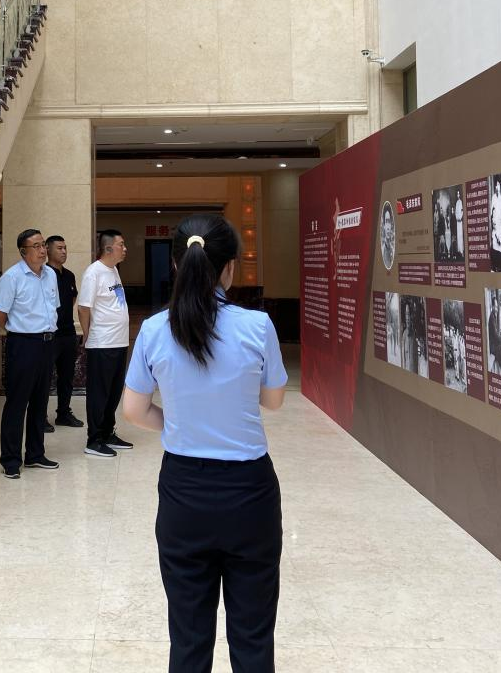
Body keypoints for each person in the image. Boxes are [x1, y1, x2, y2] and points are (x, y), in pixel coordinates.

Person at [121, 213, 288, 673]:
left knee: (189, 638)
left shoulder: (154, 329)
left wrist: (179, 422)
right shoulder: (258, 326)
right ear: (230, 267)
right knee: (253, 637)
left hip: (184, 493)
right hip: (250, 493)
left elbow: (133, 411)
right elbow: (273, 401)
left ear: (177, 265)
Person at [0, 229, 61, 479]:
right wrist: (17, 330)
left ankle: (35, 454)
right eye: (36, 246)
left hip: (47, 343)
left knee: (40, 401)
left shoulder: (50, 274)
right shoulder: (11, 277)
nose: (43, 250)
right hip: (23, 344)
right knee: (17, 402)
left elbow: (54, 308)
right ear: (23, 251)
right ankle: (10, 459)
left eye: (43, 245)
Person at [80, 229, 134, 458]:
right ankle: (93, 440)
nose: (125, 248)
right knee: (99, 394)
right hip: (102, 343)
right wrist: (88, 334)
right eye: (121, 244)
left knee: (113, 392)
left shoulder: (113, 270)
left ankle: (107, 432)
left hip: (118, 341)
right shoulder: (94, 273)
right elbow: (83, 307)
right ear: (108, 248)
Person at [44, 234, 84, 432]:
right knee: (44, 378)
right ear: (48, 250)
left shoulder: (69, 275)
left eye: (65, 248)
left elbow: (72, 298)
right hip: (49, 334)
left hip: (68, 333)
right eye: (59, 248)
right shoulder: (43, 274)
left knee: (66, 376)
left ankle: (63, 413)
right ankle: (40, 416)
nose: (64, 251)